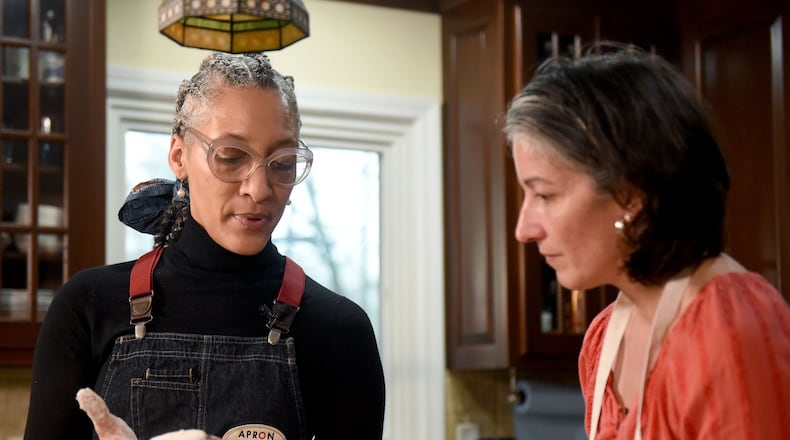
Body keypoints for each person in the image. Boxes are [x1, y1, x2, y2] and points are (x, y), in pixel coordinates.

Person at [24, 52, 385, 440]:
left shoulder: (339, 329)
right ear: (179, 156)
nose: (259, 190)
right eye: (231, 158)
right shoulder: (88, 306)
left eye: (281, 163)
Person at [503, 46, 790, 439]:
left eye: (545, 195)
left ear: (631, 194)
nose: (524, 229)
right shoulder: (602, 342)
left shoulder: (728, 326)